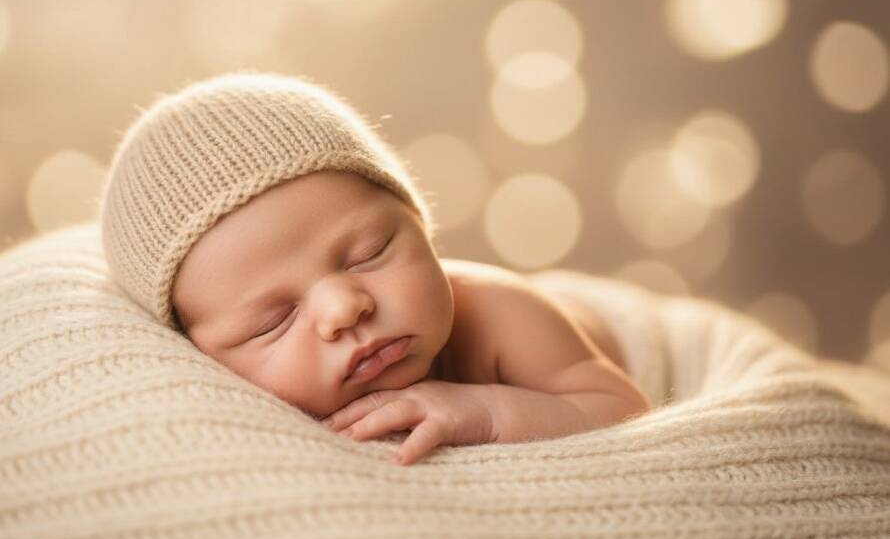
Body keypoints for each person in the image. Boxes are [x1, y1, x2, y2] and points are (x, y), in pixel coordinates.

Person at [100, 72, 652, 466]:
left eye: (369, 252)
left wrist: (485, 410)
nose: (344, 308)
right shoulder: (233, 415)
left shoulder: (500, 314)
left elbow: (624, 410)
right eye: (272, 321)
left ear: (419, 223)